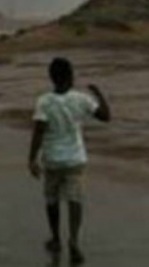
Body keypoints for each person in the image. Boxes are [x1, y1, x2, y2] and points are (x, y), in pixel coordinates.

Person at [28, 57, 111, 265]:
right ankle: (73, 239)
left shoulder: (44, 101)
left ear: (51, 78)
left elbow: (38, 132)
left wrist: (31, 159)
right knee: (75, 200)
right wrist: (99, 94)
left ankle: (56, 238)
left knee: (52, 200)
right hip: (75, 158)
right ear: (71, 76)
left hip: (53, 159)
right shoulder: (81, 99)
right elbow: (106, 116)